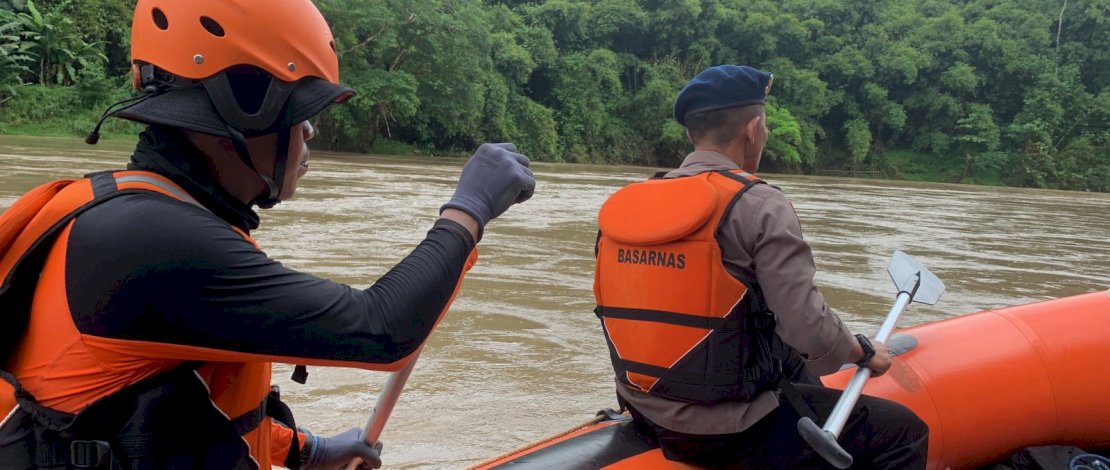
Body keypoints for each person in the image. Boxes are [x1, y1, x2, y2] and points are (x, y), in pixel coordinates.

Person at [0, 1, 534, 469]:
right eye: (302, 115)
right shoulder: (148, 241)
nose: (309, 135)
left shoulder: (115, 207)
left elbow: (154, 405)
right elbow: (383, 330)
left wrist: (303, 449)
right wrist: (469, 209)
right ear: (244, 107)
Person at [592, 65, 928, 469]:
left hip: (644, 411)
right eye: (764, 127)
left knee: (785, 353)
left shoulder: (625, 206)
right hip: (729, 432)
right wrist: (862, 351)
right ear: (753, 129)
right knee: (905, 431)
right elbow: (807, 325)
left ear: (690, 134)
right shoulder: (760, 204)